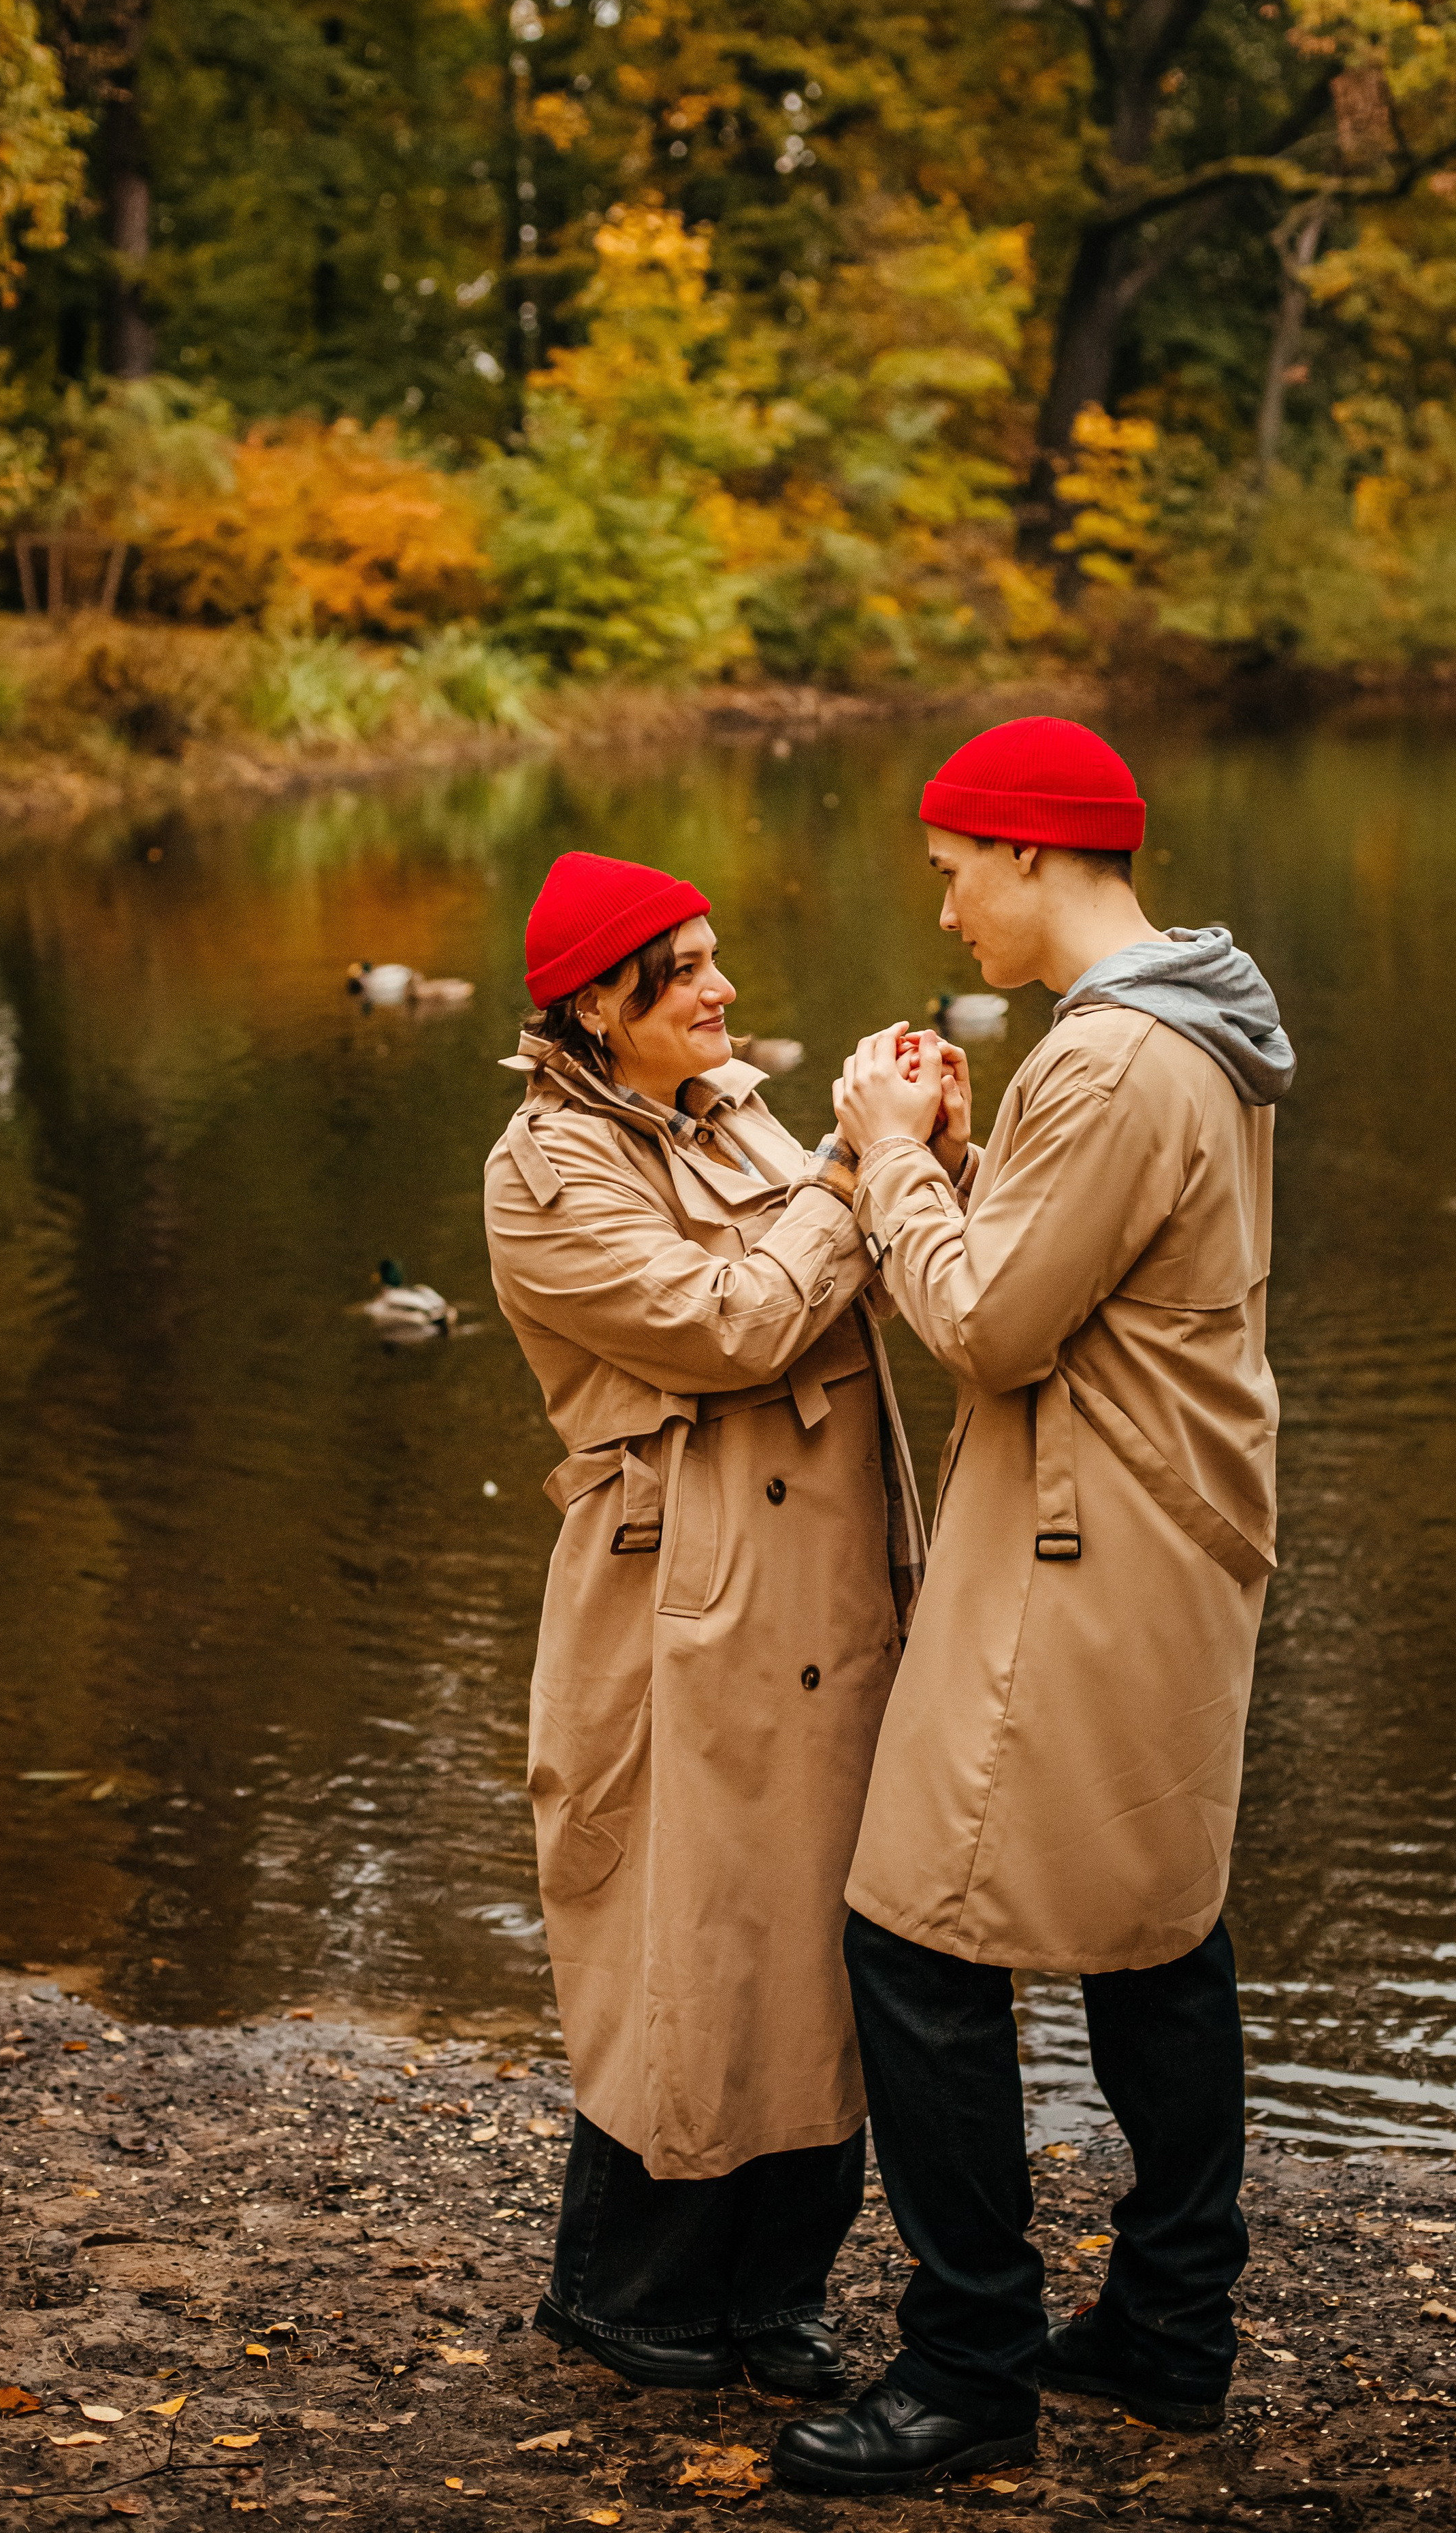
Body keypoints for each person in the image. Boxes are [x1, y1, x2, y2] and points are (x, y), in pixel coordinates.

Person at [773, 716, 1295, 2495]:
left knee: (912, 1934)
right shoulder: (1189, 1033)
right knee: (1158, 1927)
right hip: (1162, 1537)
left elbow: (989, 1330)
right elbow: (1075, 1282)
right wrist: (980, 1148)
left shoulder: (1119, 1059)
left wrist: (889, 1149)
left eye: (950, 870)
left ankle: (970, 2362)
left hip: (1085, 1559)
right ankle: (1169, 2326)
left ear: (1031, 852)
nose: (946, 910)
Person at [483, 850, 938, 2399]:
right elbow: (722, 1325)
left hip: (834, 1581)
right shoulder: (542, 1169)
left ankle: (773, 2298)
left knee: (825, 1939)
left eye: (713, 957)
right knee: (687, 1936)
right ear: (604, 1007)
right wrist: (842, 1182)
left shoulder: (729, 1100)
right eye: (682, 971)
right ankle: (633, 2296)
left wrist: (914, 1151)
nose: (720, 988)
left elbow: (838, 1285)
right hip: (683, 1598)